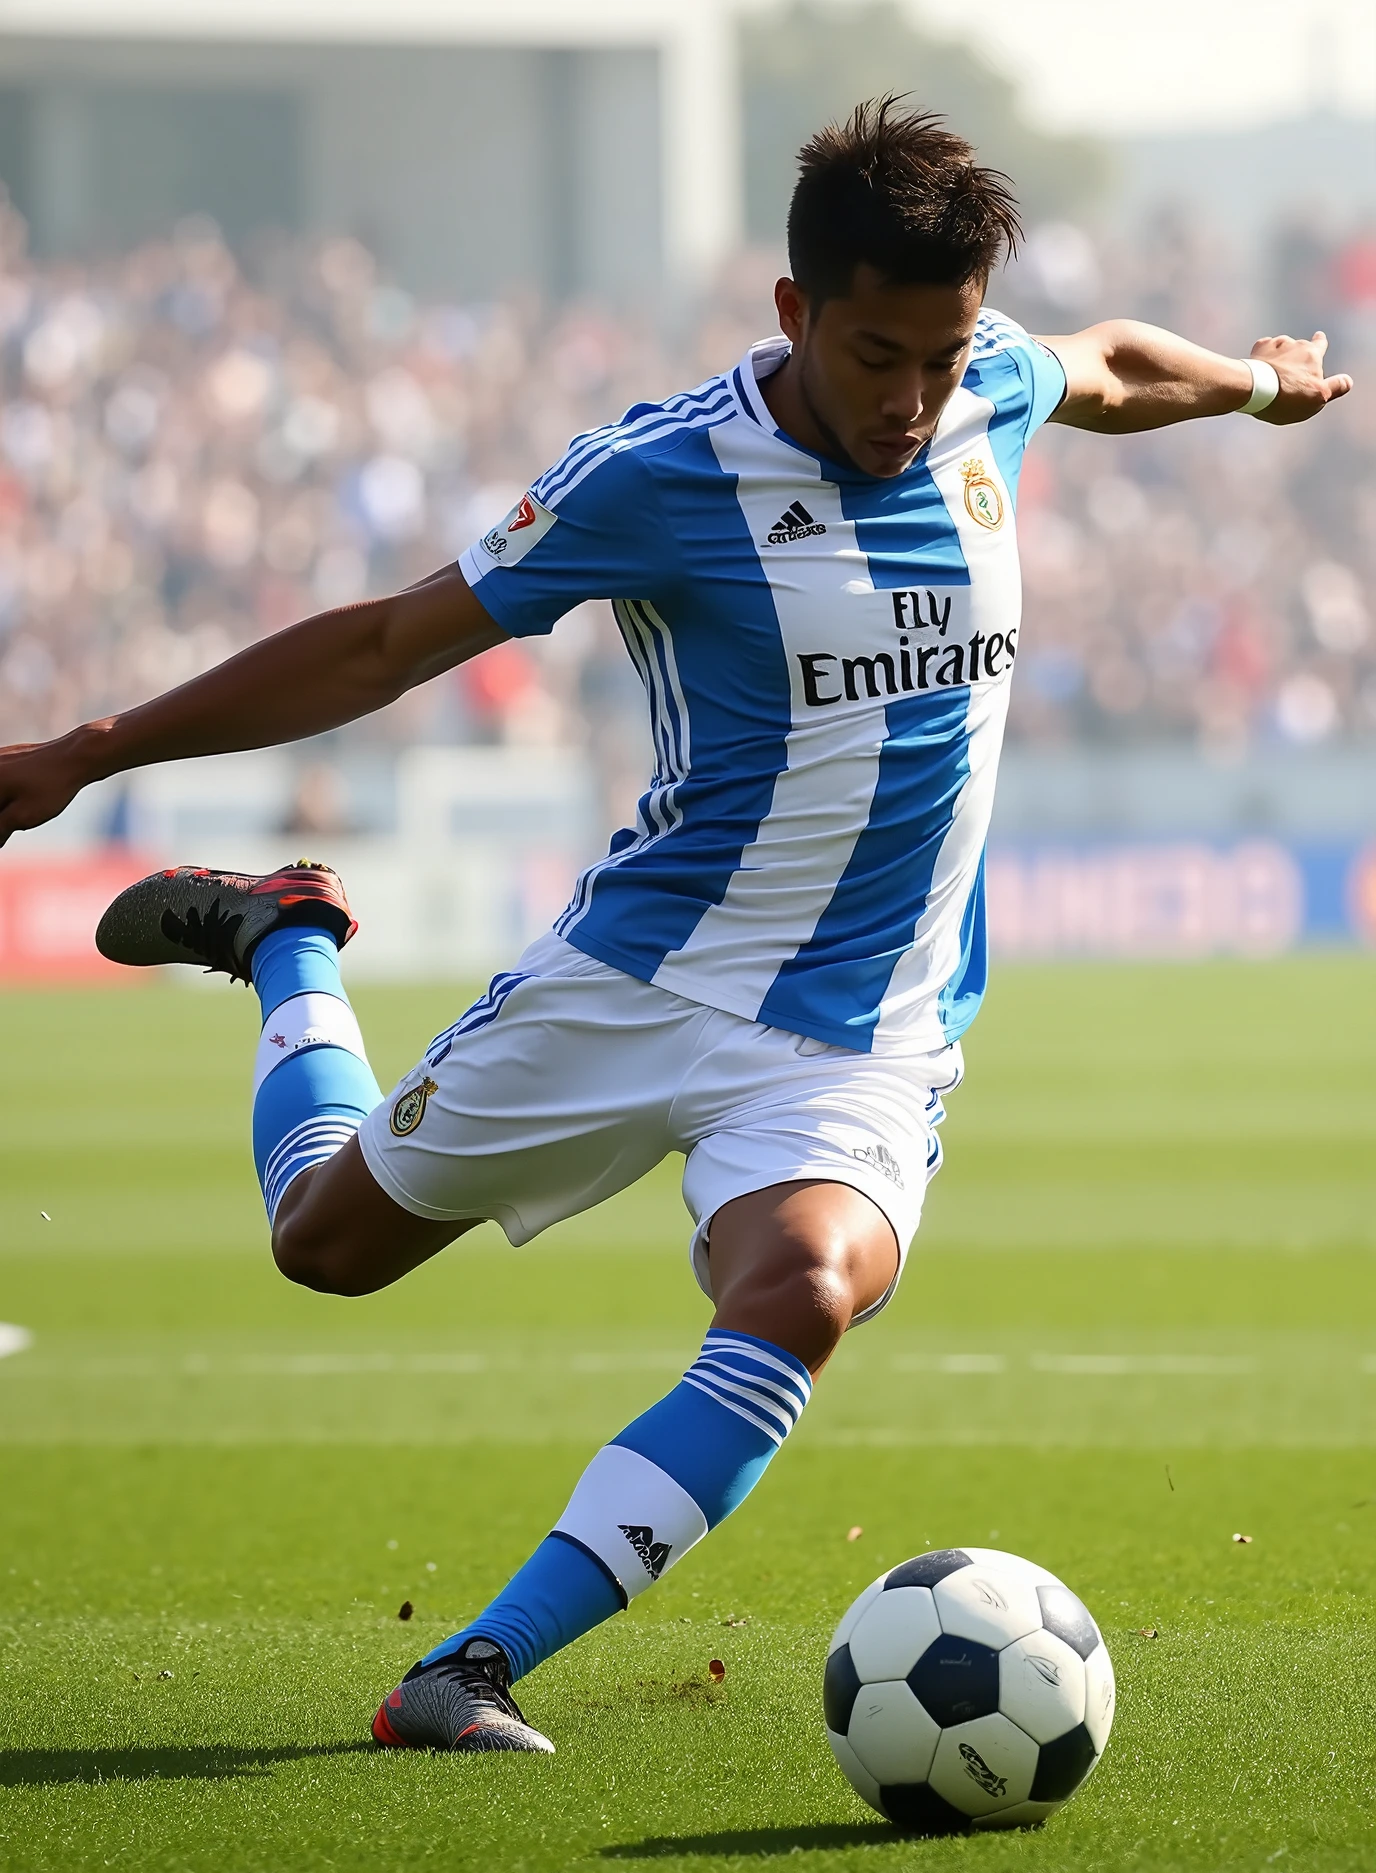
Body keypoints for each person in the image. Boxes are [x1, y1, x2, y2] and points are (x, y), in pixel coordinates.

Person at [0, 102, 1350, 1756]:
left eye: (940, 354)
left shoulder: (979, 381)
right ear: (792, 313)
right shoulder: (662, 475)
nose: (914, 397)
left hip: (863, 1032)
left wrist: (1260, 383)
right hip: (638, 980)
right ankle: (291, 943)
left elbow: (1109, 364)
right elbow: (375, 648)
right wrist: (89, 752)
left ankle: (469, 1669)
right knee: (324, 1251)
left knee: (806, 1286)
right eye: (876, 355)